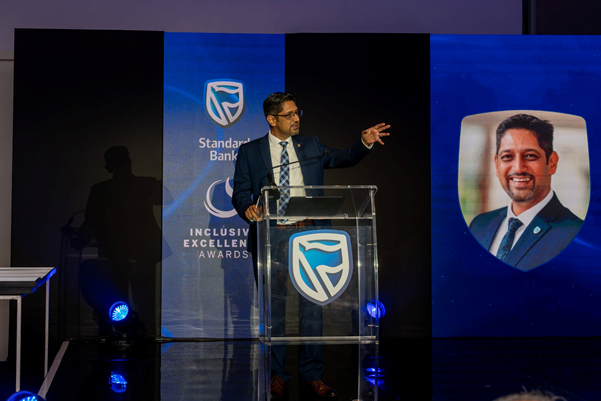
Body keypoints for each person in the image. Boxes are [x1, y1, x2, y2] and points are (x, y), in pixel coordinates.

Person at [232, 92, 389, 399]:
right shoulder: (250, 151)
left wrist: (364, 142)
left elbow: (342, 157)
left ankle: (312, 375)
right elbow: (240, 190)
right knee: (275, 310)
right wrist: (247, 208)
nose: (296, 119)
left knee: (313, 309)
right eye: (289, 114)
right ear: (272, 119)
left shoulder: (311, 145)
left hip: (310, 235)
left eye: (297, 113)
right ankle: (277, 375)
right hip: (272, 236)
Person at [469, 114, 583, 272]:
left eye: (530, 156)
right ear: (496, 164)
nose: (518, 168)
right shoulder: (479, 225)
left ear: (552, 163)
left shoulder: (576, 235)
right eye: (507, 156)